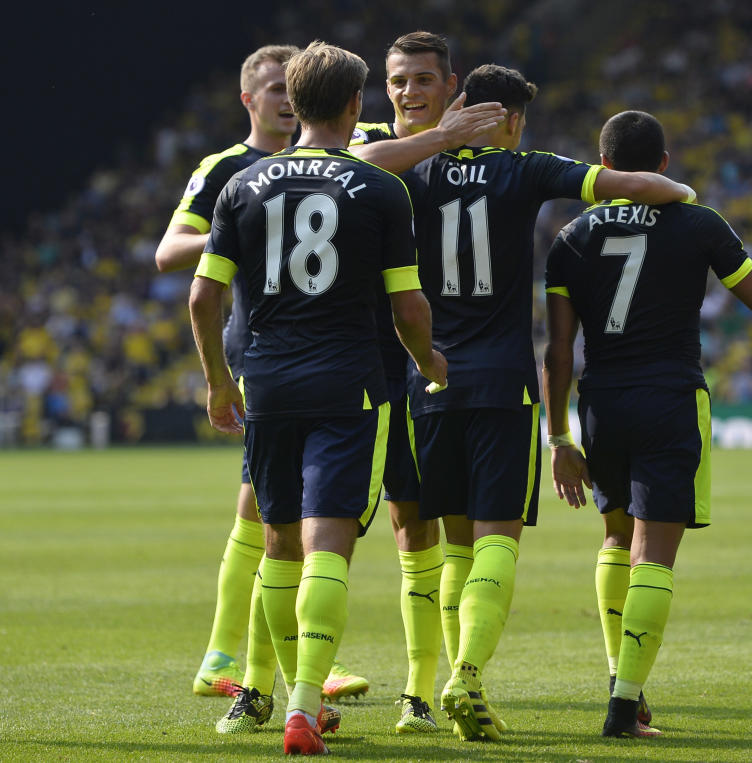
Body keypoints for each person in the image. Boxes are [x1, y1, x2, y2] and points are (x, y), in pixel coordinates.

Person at [401, 66, 696, 742]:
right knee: (496, 536)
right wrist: (680, 188)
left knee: (453, 548)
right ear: (505, 119)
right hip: (502, 380)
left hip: (432, 378)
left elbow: (357, 166)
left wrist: (432, 138)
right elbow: (628, 185)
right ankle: (467, 673)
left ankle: (454, 674)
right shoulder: (525, 169)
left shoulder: (411, 174)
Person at [541, 110, 752, 738]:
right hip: (670, 398)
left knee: (616, 541)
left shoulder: (571, 236)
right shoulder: (699, 223)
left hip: (602, 402)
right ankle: (623, 708)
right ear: (665, 165)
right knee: (655, 555)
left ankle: (624, 678)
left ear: (603, 165)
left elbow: (558, 351)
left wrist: (559, 435)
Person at [189, 40, 447, 756]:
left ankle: (258, 689)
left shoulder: (243, 184)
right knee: (328, 543)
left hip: (266, 381)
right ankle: (304, 704)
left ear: (292, 105)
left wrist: (216, 379)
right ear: (356, 106)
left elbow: (203, 295)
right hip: (349, 384)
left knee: (276, 547)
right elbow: (410, 306)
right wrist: (428, 360)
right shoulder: (380, 188)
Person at [154, 44, 365, 730]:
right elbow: (168, 251)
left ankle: (248, 661)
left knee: (266, 517)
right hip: (264, 360)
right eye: (270, 87)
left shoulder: (333, 161)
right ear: (249, 99)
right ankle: (247, 660)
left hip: (291, 361)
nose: (280, 97)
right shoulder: (228, 170)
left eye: (288, 88)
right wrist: (234, 228)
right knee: (274, 519)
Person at [348, 31, 507, 735]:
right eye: (397, 79)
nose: (407, 91)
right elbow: (362, 161)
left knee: (458, 535)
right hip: (384, 369)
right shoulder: (379, 143)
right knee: (410, 531)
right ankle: (415, 689)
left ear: (450, 85)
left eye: (421, 79)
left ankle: (453, 676)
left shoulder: (479, 160)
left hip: (456, 367)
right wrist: (438, 138)